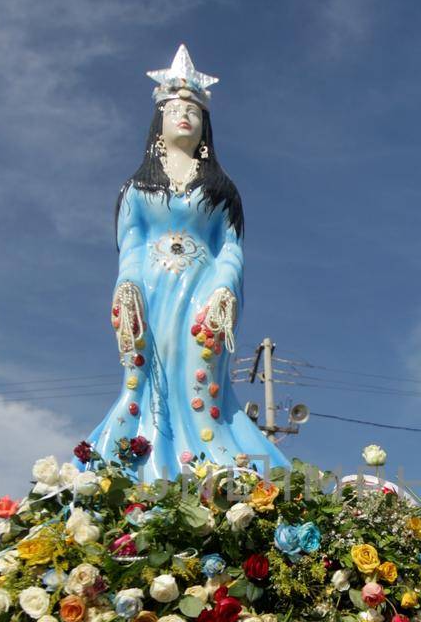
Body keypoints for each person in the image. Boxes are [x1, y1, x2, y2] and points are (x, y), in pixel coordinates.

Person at [86, 43, 285, 479]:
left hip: (202, 289)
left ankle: (208, 463)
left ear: (205, 124)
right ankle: (135, 463)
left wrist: (223, 289)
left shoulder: (221, 189)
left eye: (194, 112)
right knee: (146, 378)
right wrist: (127, 286)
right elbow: (132, 244)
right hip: (150, 291)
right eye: (176, 110)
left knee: (198, 375)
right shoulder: (137, 188)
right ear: (159, 118)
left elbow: (230, 247)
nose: (185, 117)